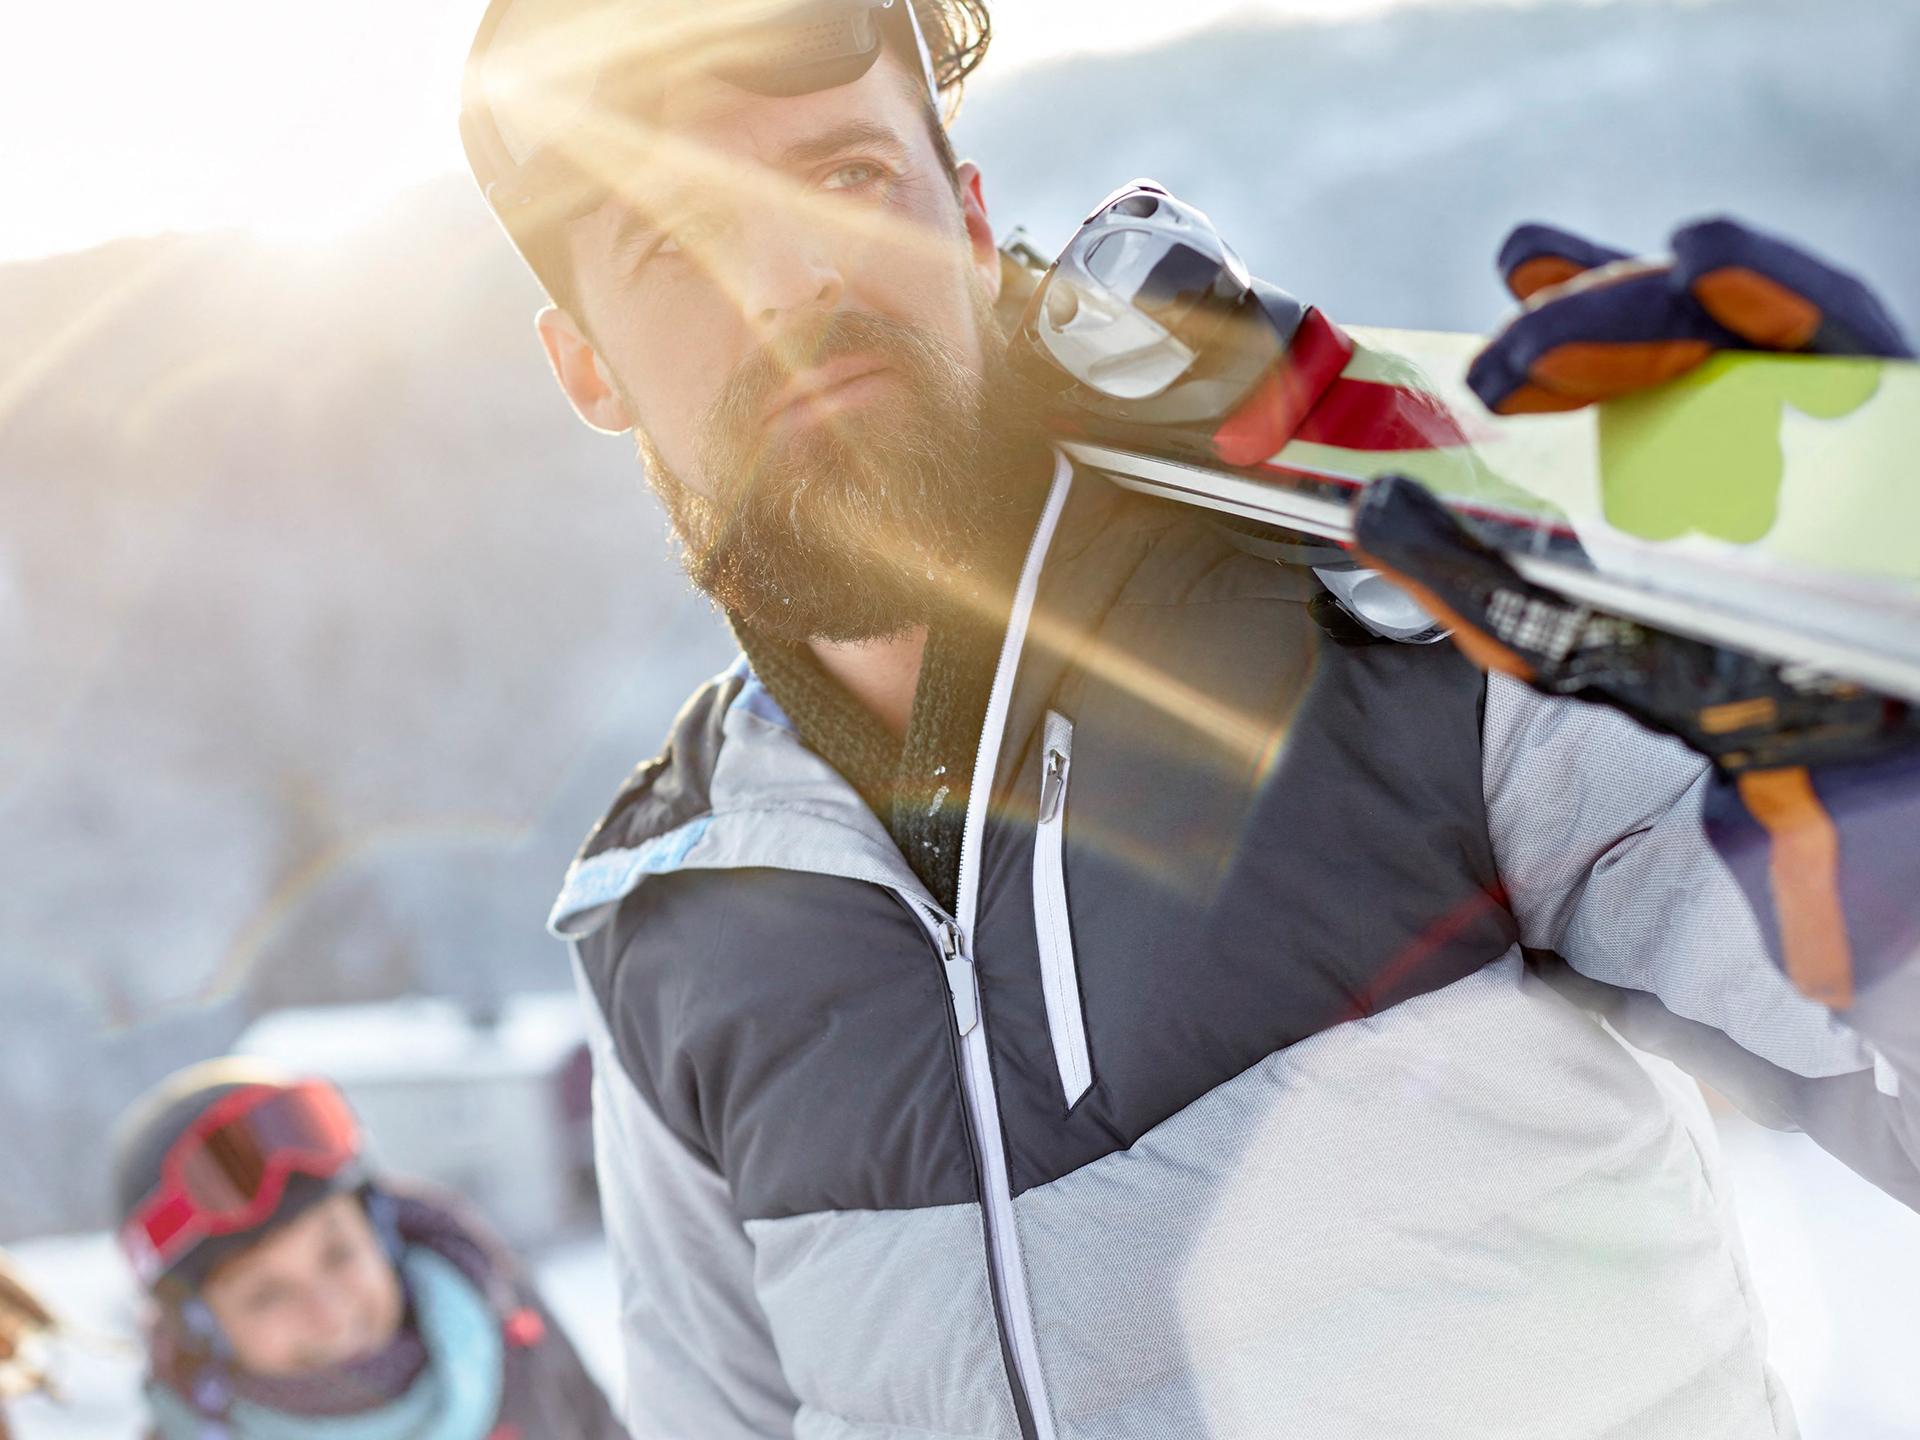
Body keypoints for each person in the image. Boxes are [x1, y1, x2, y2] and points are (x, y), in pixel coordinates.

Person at [456, 2, 1918, 1435]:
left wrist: (1895, 781)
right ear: (585, 365)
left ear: (966, 227)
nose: (788, 276)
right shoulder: (668, 924)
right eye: (673, 244)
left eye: (846, 175)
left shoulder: (1407, 617)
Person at [112, 1060, 627, 1440]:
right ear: (202, 1326)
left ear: (380, 1231)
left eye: (337, 1254)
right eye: (266, 1295)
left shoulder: (510, 1326)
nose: (329, 1313)